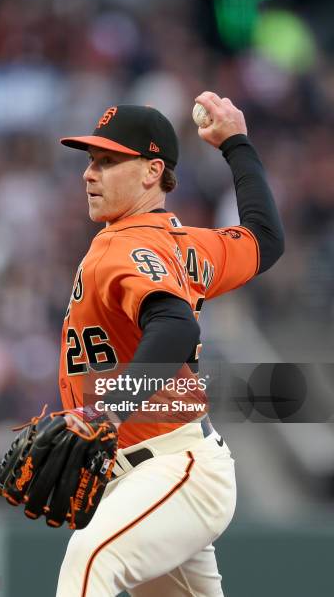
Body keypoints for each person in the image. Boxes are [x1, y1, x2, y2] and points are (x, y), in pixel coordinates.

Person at [56, 92, 284, 596]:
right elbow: (265, 238)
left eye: (108, 161)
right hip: (153, 474)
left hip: (172, 468)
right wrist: (237, 144)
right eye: (91, 161)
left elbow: (177, 328)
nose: (89, 174)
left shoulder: (125, 244)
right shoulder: (185, 244)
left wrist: (110, 411)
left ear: (151, 171)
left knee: (88, 559)